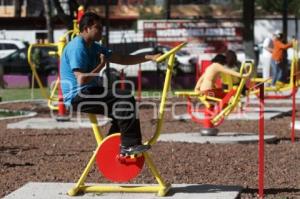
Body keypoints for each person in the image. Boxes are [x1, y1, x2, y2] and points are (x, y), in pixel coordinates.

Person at [60, 12, 160, 156]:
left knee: (123, 106)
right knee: (124, 98)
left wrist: (149, 57)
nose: (102, 31)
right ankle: (129, 145)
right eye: (98, 28)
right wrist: (101, 66)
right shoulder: (77, 47)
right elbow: (81, 79)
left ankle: (109, 148)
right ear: (87, 28)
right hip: (77, 96)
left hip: (90, 90)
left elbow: (122, 58)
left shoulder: (94, 46)